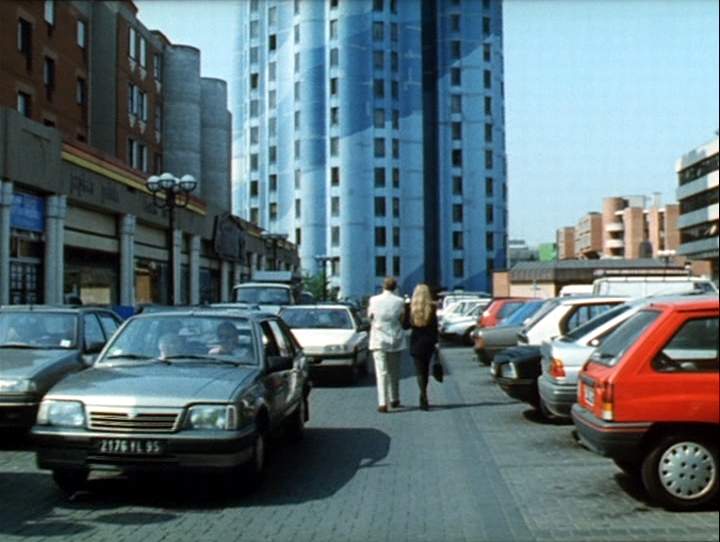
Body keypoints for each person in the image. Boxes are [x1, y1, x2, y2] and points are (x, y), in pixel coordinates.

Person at [367, 276, 407, 413]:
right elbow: (402, 319)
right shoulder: (400, 301)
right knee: (394, 370)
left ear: (383, 286)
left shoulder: (374, 300)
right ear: (395, 287)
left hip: (378, 338)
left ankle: (382, 402)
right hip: (395, 338)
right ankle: (394, 398)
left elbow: (370, 317)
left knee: (381, 372)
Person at [407, 284, 438, 411]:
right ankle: (424, 393)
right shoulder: (432, 307)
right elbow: (435, 327)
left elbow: (405, 325)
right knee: (426, 369)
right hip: (428, 342)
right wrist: (437, 342)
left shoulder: (411, 308)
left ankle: (423, 394)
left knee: (420, 371)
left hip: (416, 342)